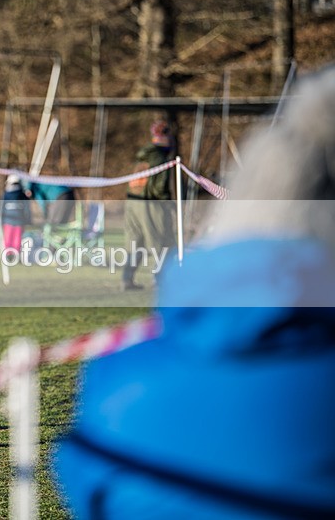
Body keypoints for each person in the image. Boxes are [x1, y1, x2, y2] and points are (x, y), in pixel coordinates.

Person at [52, 68, 335, 519]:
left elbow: (79, 478)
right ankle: (132, 276)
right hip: (153, 214)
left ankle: (130, 277)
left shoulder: (115, 385)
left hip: (143, 218)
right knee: (153, 249)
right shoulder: (158, 155)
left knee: (139, 251)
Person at [121, 119, 177, 290]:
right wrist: (170, 205)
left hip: (132, 203)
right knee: (162, 241)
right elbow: (160, 187)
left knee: (134, 242)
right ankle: (160, 280)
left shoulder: (142, 156)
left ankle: (127, 279)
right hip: (150, 204)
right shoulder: (159, 157)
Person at [2, 174, 31, 254]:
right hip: (19, 221)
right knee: (17, 240)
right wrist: (28, 219)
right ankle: (15, 255)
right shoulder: (23, 195)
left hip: (7, 220)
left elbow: (2, 208)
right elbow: (27, 209)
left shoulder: (5, 194)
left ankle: (8, 255)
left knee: (8, 239)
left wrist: (1, 219)